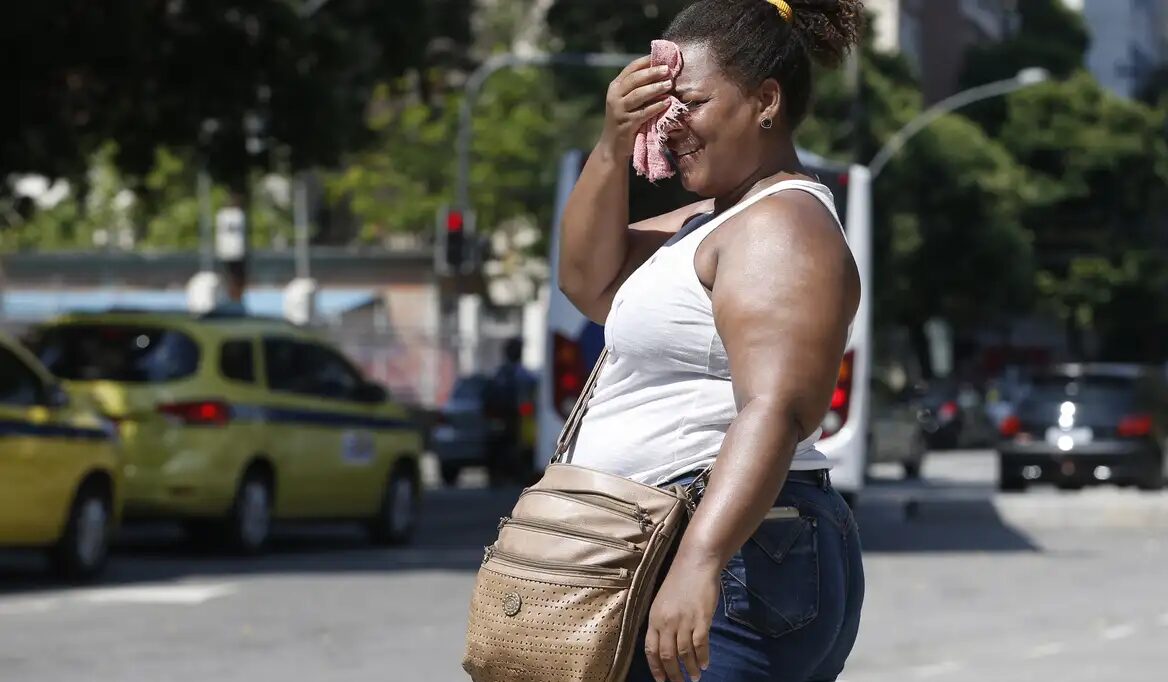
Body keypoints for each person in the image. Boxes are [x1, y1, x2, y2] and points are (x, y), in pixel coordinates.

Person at [557, 1, 865, 680]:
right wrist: (613, 142)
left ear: (765, 101)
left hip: (735, 555)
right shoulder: (711, 220)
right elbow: (585, 280)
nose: (671, 125)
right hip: (690, 542)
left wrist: (700, 561)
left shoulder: (781, 225)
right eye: (661, 105)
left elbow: (775, 409)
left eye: (689, 101)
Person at [482, 337, 537, 485]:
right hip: (513, 417)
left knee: (510, 447)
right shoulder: (521, 375)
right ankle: (507, 474)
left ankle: (505, 474)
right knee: (514, 446)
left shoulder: (499, 374)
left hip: (511, 417)